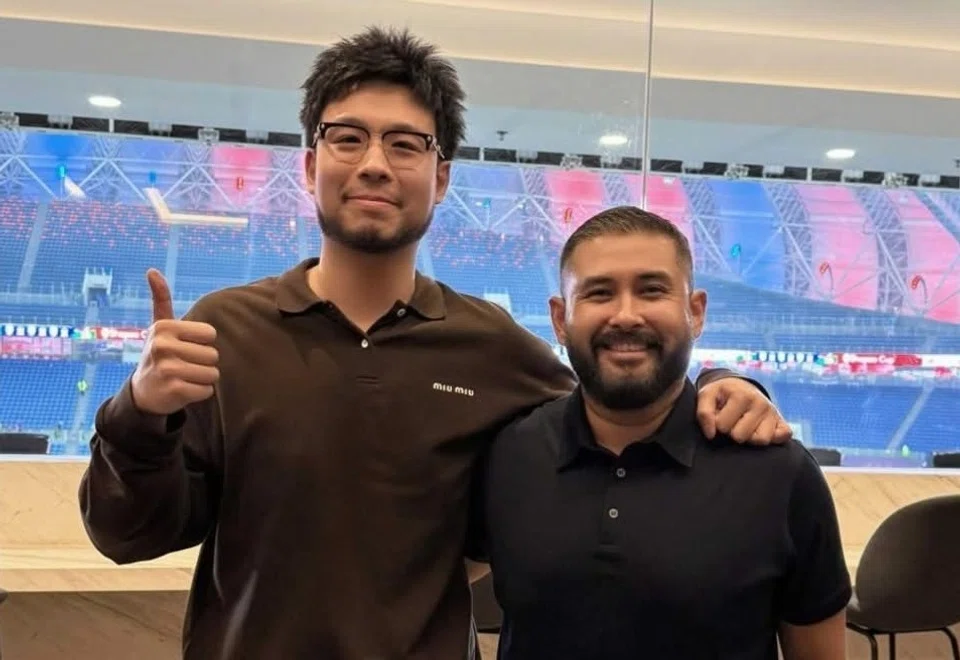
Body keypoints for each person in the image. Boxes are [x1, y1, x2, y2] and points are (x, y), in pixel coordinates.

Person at [78, 28, 791, 660]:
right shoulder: (225, 330)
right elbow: (126, 536)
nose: (375, 164)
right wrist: (140, 412)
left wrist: (725, 385)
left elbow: (620, 404)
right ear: (309, 165)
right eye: (347, 137)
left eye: (405, 143)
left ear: (441, 176)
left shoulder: (490, 347)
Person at [475, 206, 851, 660]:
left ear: (695, 312)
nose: (626, 315)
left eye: (651, 290)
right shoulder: (511, 454)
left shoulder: (780, 472)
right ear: (560, 318)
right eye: (599, 293)